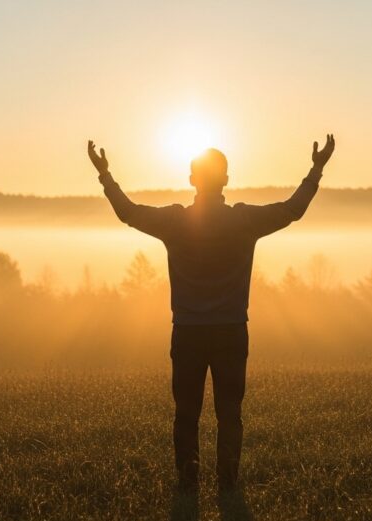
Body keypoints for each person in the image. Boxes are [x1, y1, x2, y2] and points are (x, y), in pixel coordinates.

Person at [87, 135, 335, 492]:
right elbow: (291, 210)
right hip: (231, 331)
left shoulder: (175, 221)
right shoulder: (244, 220)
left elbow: (129, 212)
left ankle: (188, 485)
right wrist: (317, 168)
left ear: (192, 180)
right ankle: (227, 485)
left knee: (186, 414)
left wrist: (105, 175)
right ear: (226, 180)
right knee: (230, 414)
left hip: (187, 332)